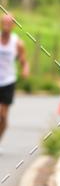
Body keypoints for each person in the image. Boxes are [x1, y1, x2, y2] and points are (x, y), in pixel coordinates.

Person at [0, 13, 29, 152]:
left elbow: (23, 60)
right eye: (4, 22)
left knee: (3, 116)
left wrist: (25, 69)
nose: (6, 25)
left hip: (8, 81)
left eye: (9, 23)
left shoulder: (18, 43)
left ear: (13, 26)